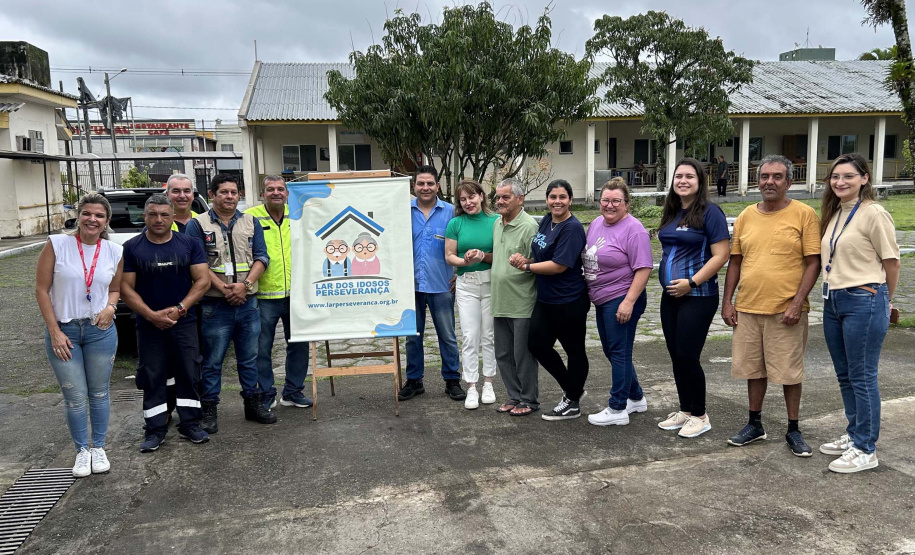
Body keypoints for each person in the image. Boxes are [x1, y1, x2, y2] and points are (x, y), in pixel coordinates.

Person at [722, 154, 821, 457]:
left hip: (785, 311)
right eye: (765, 176)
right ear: (758, 181)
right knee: (754, 369)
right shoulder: (746, 216)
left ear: (789, 182)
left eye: (777, 177)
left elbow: (813, 262)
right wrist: (727, 301)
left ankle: (793, 428)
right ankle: (755, 424)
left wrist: (797, 301)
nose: (769, 182)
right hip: (749, 307)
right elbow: (735, 261)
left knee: (789, 372)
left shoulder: (804, 214)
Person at [817, 153, 900, 473]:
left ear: (864, 178)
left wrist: (883, 300)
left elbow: (892, 262)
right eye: (835, 177)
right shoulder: (836, 212)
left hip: (864, 299)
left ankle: (866, 447)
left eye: (848, 176)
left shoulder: (873, 213)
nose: (840, 182)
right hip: (834, 300)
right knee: (845, 374)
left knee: (863, 377)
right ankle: (854, 434)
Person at [35, 193, 123, 477]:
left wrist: (111, 307)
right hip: (65, 331)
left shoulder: (114, 251)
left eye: (99, 215)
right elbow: (41, 290)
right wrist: (54, 331)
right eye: (87, 213)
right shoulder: (57, 245)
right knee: (74, 395)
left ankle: (98, 447)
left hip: (100, 331)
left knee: (99, 393)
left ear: (106, 221)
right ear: (78, 215)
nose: (92, 219)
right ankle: (81, 451)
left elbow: (115, 288)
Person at [120, 194, 211, 452]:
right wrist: (151, 315)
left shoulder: (190, 244)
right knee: (153, 375)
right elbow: (126, 288)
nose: (158, 219)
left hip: (183, 322)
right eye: (152, 215)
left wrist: (180, 309)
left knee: (189, 371)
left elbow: (202, 281)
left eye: (164, 215)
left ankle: (190, 423)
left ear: (173, 217)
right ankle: (155, 429)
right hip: (149, 325)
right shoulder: (132, 247)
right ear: (144, 217)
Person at [186, 174, 274, 432]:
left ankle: (253, 404)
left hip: (248, 303)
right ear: (212, 195)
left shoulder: (251, 222)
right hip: (216, 305)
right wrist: (224, 288)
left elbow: (262, 257)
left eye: (234, 192)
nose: (229, 197)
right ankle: (210, 409)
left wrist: (244, 286)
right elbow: (197, 263)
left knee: (249, 358)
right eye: (223, 192)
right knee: (213, 361)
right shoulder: (197, 224)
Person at [656, 159, 730, 438]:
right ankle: (685, 410)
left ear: (700, 182)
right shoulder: (673, 211)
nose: (682, 181)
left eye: (689, 176)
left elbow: (721, 255)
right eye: (678, 176)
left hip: (698, 295)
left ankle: (700, 415)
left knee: (688, 355)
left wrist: (692, 282)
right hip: (670, 296)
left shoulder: (711, 213)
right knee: (676, 355)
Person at [509, 179, 589, 421]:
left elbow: (559, 266)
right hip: (546, 299)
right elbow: (539, 251)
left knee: (574, 351)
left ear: (570, 200)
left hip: (569, 301)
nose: (557, 201)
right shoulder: (546, 220)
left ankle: (572, 403)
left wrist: (527, 266)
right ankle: (573, 390)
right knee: (537, 344)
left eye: (562, 197)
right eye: (553, 197)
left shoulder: (572, 228)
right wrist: (525, 258)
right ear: (547, 199)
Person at [582, 178, 654, 427]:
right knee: (612, 351)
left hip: (622, 297)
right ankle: (636, 397)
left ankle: (617, 408)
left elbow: (644, 268)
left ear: (626, 204)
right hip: (601, 298)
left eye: (616, 201)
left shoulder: (634, 229)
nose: (609, 205)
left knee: (619, 352)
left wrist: (628, 302)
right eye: (605, 200)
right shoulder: (596, 224)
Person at [245, 175, 313, 411]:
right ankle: (266, 393)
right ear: (262, 194)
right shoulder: (251, 216)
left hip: (296, 295)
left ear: (287, 193)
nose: (276, 193)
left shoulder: (299, 214)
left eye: (281, 189)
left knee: (299, 345)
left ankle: (293, 391)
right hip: (264, 295)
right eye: (270, 189)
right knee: (261, 348)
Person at [398, 165, 464, 402]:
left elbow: (463, 243)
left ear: (437, 186)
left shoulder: (451, 213)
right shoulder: (402, 211)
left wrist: (460, 271)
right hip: (410, 286)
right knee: (412, 336)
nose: (425, 188)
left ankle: (452, 380)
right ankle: (414, 380)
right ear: (413, 186)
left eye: (429, 183)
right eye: (420, 183)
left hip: (442, 285)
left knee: (447, 335)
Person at [445, 179, 500, 410]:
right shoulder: (455, 223)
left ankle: (488, 383)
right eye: (463, 199)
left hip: (490, 284)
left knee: (488, 336)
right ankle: (471, 386)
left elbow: (501, 253)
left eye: (472, 197)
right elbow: (449, 255)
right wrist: (464, 260)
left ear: (481, 195)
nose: (468, 202)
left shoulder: (497, 221)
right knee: (469, 336)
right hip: (466, 285)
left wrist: (482, 256)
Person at [491, 179, 541, 416]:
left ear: (520, 199)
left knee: (523, 355)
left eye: (505, 197)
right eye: (498, 197)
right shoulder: (497, 224)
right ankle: (513, 395)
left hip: (522, 300)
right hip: (500, 299)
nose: (499, 201)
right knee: (503, 353)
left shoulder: (529, 226)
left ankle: (529, 399)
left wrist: (526, 262)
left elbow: (539, 261)